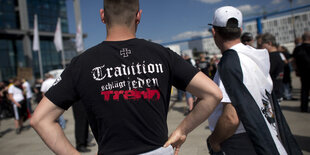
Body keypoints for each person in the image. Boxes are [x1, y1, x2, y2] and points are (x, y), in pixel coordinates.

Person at [30, 0, 222, 155]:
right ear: (138, 16)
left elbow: (40, 119)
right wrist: (182, 130)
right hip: (159, 151)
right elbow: (213, 94)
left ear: (102, 16)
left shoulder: (82, 64)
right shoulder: (162, 55)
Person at [207, 6, 301, 155]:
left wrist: (214, 140)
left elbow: (231, 117)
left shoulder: (229, 62)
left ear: (214, 32)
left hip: (240, 140)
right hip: (265, 131)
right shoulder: (255, 56)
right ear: (240, 30)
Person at [261, 33, 285, 102]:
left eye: (262, 44)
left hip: (273, 92)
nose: (261, 46)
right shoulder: (279, 54)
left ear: (269, 43)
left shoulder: (272, 57)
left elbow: (266, 73)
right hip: (278, 90)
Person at [292, 31, 310, 112]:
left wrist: (296, 70)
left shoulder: (297, 49)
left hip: (303, 72)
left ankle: (304, 107)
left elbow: (294, 61)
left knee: (304, 90)